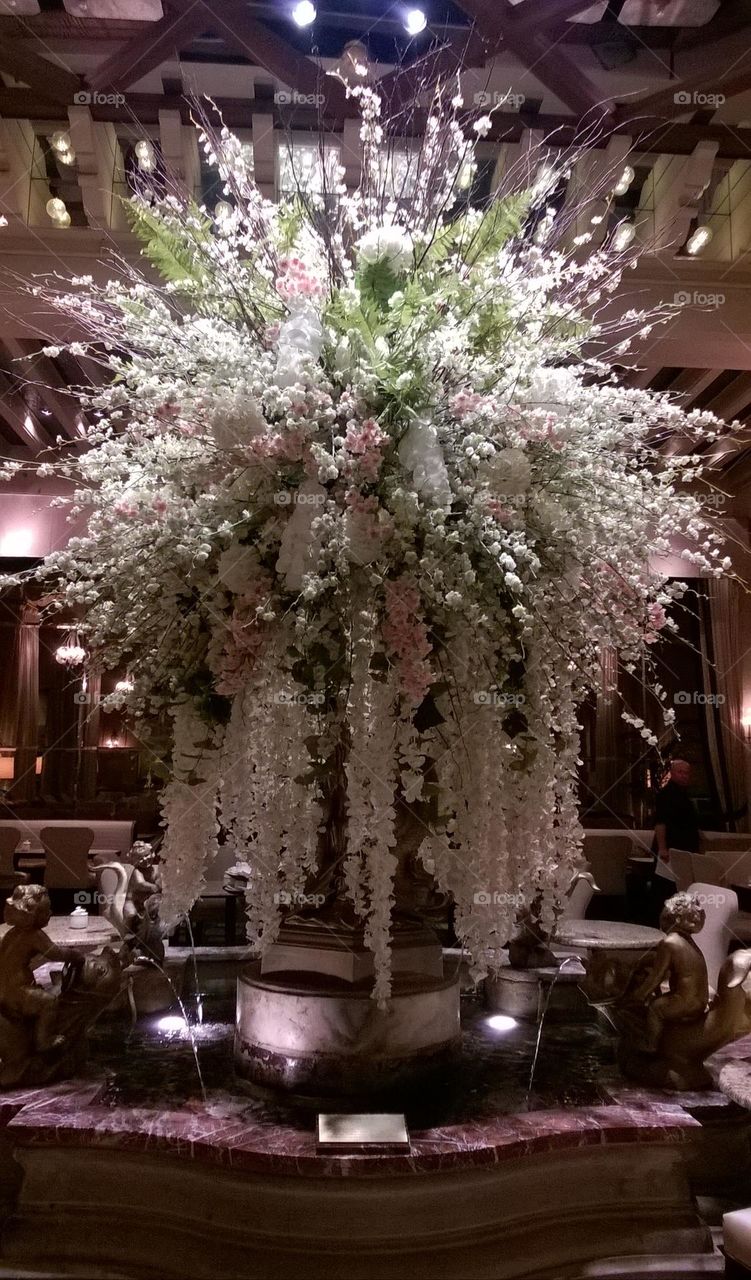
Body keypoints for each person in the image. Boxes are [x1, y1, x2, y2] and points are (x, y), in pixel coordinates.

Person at [0, 884, 84, 1052]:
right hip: (14, 991)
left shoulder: (13, 933)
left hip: (4, 987)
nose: (50, 914)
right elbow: (57, 954)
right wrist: (76, 956)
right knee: (49, 1002)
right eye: (46, 911)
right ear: (32, 915)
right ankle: (44, 1041)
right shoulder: (34, 935)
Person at [621, 891, 708, 1053]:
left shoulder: (669, 943)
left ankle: (651, 1045)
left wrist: (638, 996)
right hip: (701, 1001)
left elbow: (656, 978)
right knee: (663, 998)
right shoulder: (689, 942)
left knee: (656, 1008)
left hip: (686, 1003)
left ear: (674, 919)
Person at [649, 758, 702, 921]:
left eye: (687, 773)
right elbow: (660, 823)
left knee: (679, 889)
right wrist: (663, 848)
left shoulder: (684, 795)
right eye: (681, 772)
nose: (684, 776)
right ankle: (663, 923)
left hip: (684, 850)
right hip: (671, 850)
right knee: (666, 890)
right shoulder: (666, 795)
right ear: (672, 773)